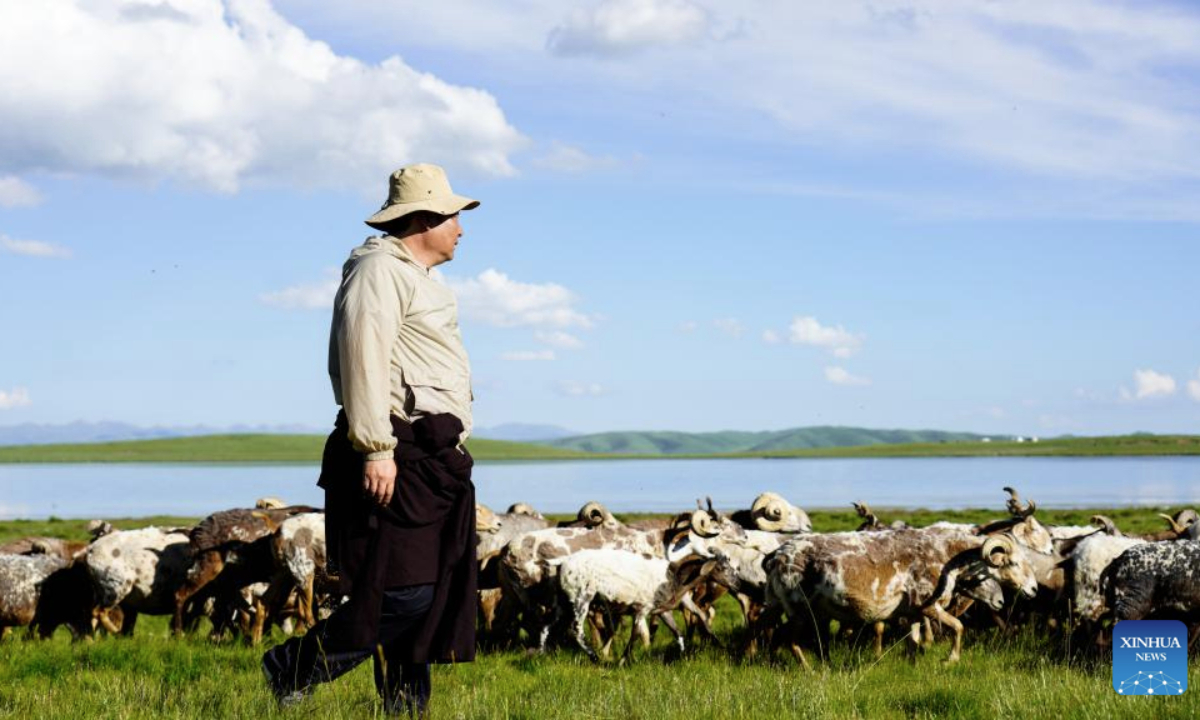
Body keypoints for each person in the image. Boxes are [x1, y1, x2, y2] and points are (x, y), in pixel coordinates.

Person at [262, 163, 480, 717]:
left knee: (427, 593)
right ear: (425, 218)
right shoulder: (379, 271)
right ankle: (293, 667)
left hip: (432, 458)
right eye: (454, 215)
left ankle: (405, 709)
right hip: (393, 452)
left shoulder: (417, 277)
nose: (461, 227)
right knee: (404, 593)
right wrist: (376, 448)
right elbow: (363, 358)